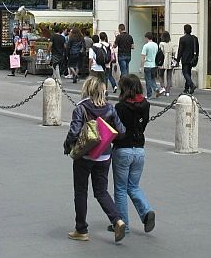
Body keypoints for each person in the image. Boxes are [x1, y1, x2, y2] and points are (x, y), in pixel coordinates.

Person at [63, 76, 127, 244]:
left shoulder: (81, 108)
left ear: (87, 90)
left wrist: (67, 146)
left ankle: (81, 229)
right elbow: (121, 131)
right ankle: (117, 220)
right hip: (104, 155)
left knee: (81, 191)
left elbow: (74, 132)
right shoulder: (110, 108)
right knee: (101, 191)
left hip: (84, 155)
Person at [112, 74, 156, 234]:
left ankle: (123, 224)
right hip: (139, 150)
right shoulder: (146, 104)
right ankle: (146, 211)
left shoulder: (120, 107)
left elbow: (116, 130)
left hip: (123, 150)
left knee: (121, 189)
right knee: (133, 186)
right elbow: (143, 126)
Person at [176, 24, 199, 95]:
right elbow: (197, 48)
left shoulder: (182, 39)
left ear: (184, 30)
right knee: (188, 73)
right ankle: (186, 89)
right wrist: (196, 56)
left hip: (185, 58)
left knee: (185, 73)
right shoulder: (194, 38)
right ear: (191, 30)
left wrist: (178, 59)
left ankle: (191, 85)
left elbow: (180, 50)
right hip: (192, 59)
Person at [158, 31, 178, 97]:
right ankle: (168, 91)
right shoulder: (171, 44)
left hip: (163, 61)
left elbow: (160, 53)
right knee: (169, 77)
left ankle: (163, 87)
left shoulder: (161, 43)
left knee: (160, 75)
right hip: (170, 61)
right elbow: (174, 52)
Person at [140, 32, 159, 99]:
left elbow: (143, 56)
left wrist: (141, 67)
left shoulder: (146, 46)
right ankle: (156, 88)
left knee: (148, 80)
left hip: (147, 64)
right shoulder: (156, 45)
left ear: (146, 38)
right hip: (154, 65)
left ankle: (149, 94)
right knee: (152, 78)